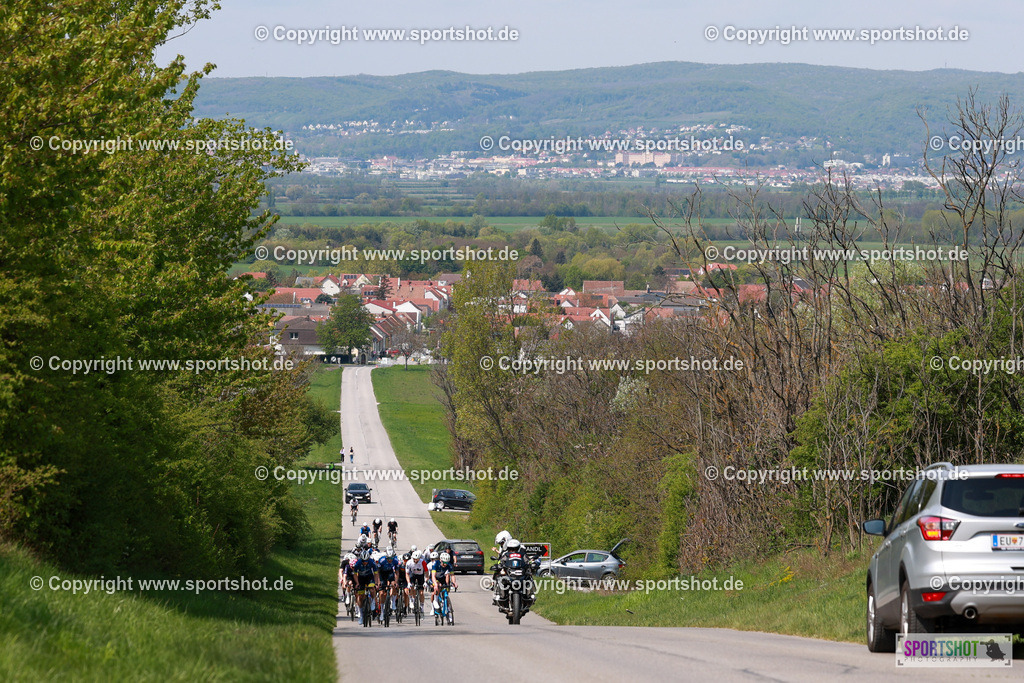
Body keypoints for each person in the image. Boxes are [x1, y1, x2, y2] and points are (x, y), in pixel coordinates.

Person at [352, 549, 378, 625]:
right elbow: (355, 574)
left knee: (372, 589)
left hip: (369, 577)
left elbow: (376, 573)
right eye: (363, 561)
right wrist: (357, 583)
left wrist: (376, 583)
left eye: (366, 561)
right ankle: (361, 615)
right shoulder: (358, 563)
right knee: (360, 596)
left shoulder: (372, 562)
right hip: (361, 578)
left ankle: (373, 602)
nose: (365, 562)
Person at [430, 551, 457, 621]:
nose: (445, 564)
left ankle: (448, 610)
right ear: (440, 560)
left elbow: (452, 575)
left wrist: (454, 582)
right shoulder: (436, 564)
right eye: (444, 563)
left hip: (443, 579)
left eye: (447, 563)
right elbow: (433, 576)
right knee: (438, 587)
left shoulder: (449, 565)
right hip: (436, 578)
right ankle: (435, 602)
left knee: (446, 593)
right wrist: (435, 584)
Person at [405, 550, 428, 616]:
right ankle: (412, 599)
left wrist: (426, 581)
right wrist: (408, 582)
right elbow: (407, 573)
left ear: (419, 559)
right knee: (411, 586)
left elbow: (426, 572)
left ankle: (422, 606)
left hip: (420, 575)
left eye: (417, 559)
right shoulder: (409, 563)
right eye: (414, 559)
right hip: (412, 574)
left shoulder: (423, 562)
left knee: (421, 592)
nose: (415, 561)